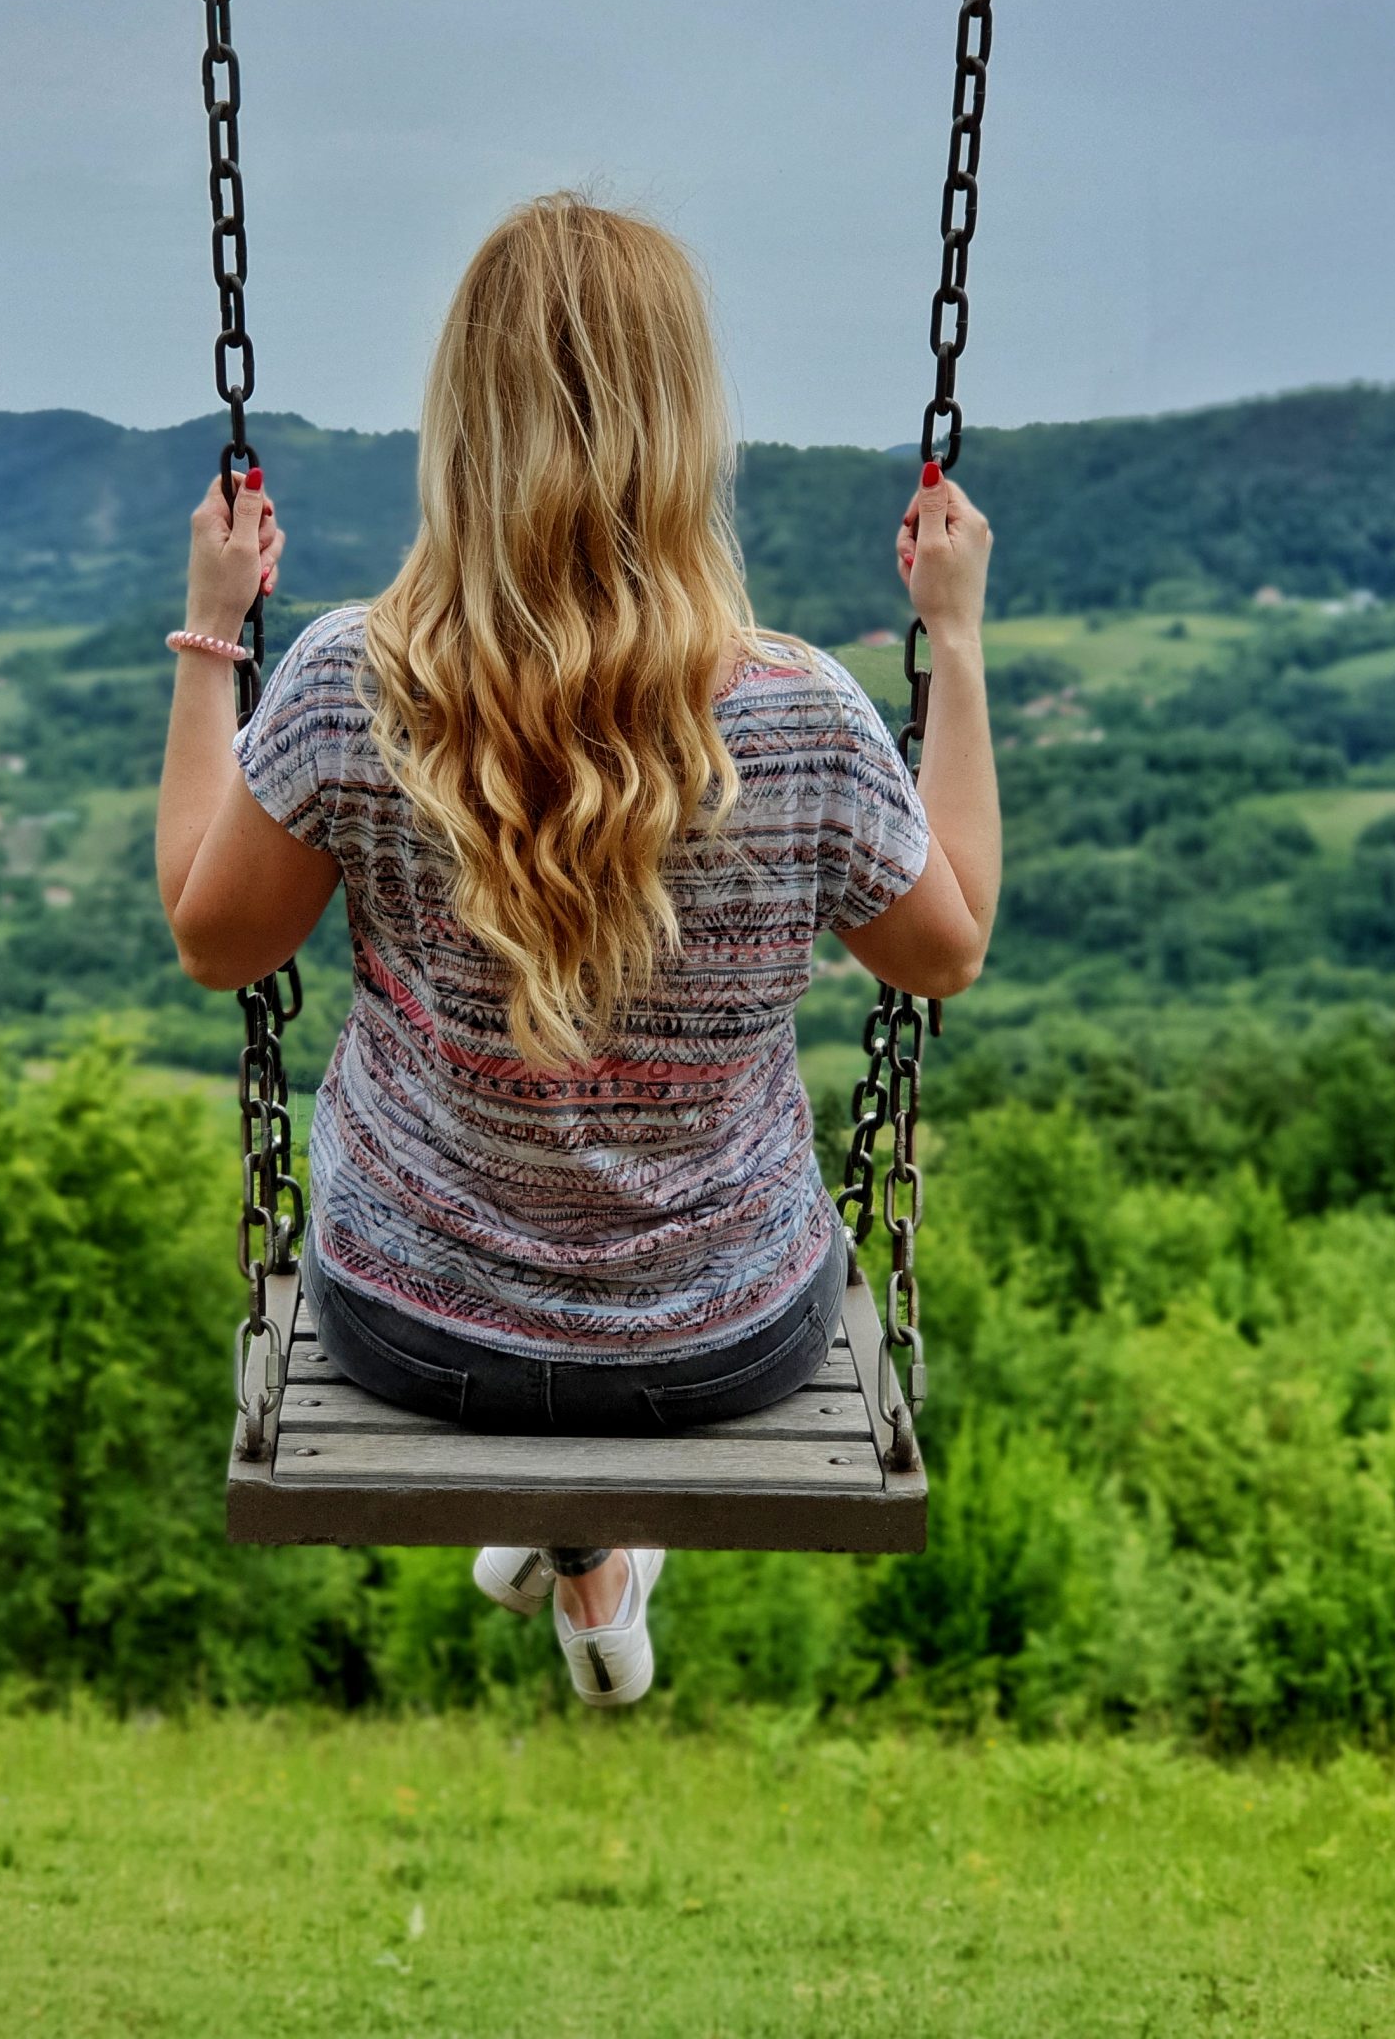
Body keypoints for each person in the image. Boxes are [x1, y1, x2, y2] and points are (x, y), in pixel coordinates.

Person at [156, 194, 1000, 1706]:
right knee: (626, 1305)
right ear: (687, 430)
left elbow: (214, 941)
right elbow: (946, 952)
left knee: (517, 1275)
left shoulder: (353, 684)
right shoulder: (806, 713)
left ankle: (578, 1536)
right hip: (725, 1337)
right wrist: (955, 642)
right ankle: (589, 1543)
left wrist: (217, 634)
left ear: (460, 428)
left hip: (417, 1329)